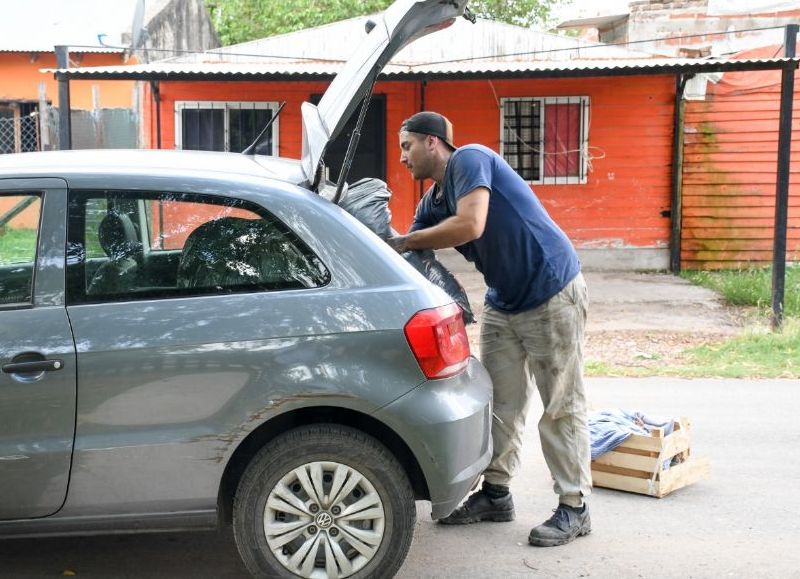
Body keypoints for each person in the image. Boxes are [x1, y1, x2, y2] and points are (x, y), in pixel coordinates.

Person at [389, 111, 592, 547]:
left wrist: (405, 241)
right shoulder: (432, 203)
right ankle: (497, 495)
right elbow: (405, 258)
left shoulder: (470, 159)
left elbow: (471, 224)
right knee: (500, 404)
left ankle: (575, 507)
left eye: (407, 146)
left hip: (551, 290)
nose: (402, 157)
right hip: (503, 301)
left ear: (432, 142)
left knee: (560, 404)